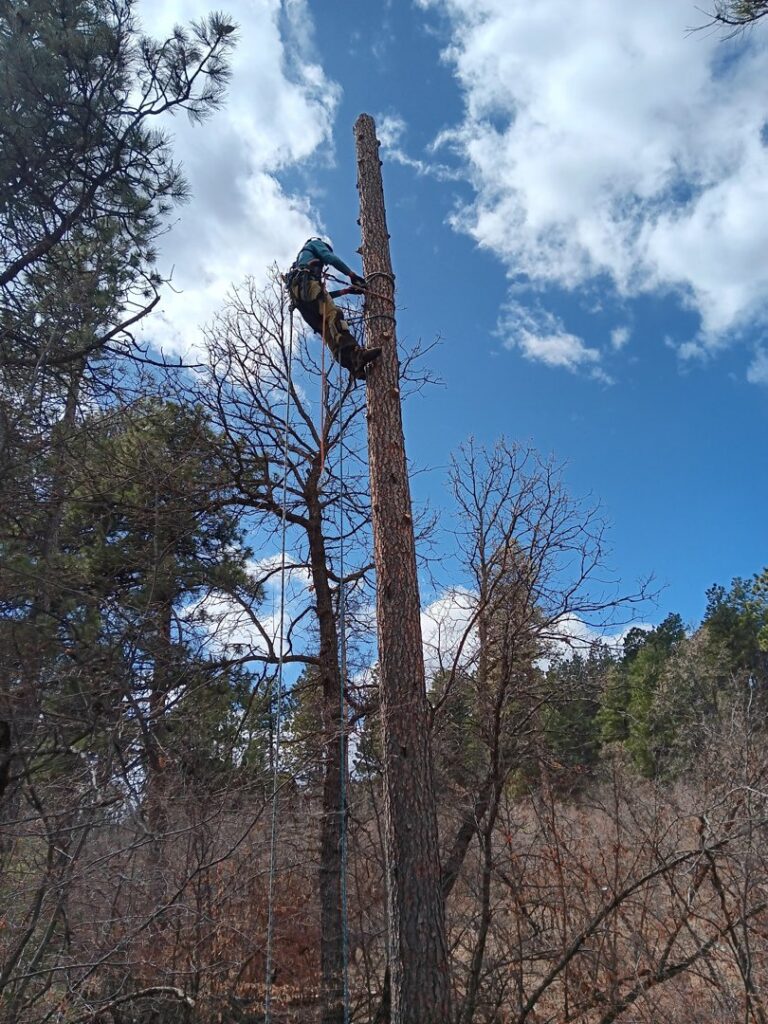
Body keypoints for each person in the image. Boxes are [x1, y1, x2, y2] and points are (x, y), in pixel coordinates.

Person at [285, 237, 381, 381]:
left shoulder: (300, 263)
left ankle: (353, 366)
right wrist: (352, 275)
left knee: (328, 330)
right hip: (306, 287)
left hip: (302, 302)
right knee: (335, 315)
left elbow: (321, 297)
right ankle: (356, 355)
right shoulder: (314, 245)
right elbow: (329, 257)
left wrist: (346, 291)